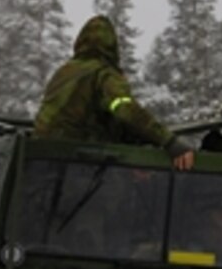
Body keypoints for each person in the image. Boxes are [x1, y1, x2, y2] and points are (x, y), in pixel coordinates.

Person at [33, 15, 195, 171]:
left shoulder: (64, 72)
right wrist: (169, 141)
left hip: (42, 161)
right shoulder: (104, 74)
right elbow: (124, 109)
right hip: (80, 164)